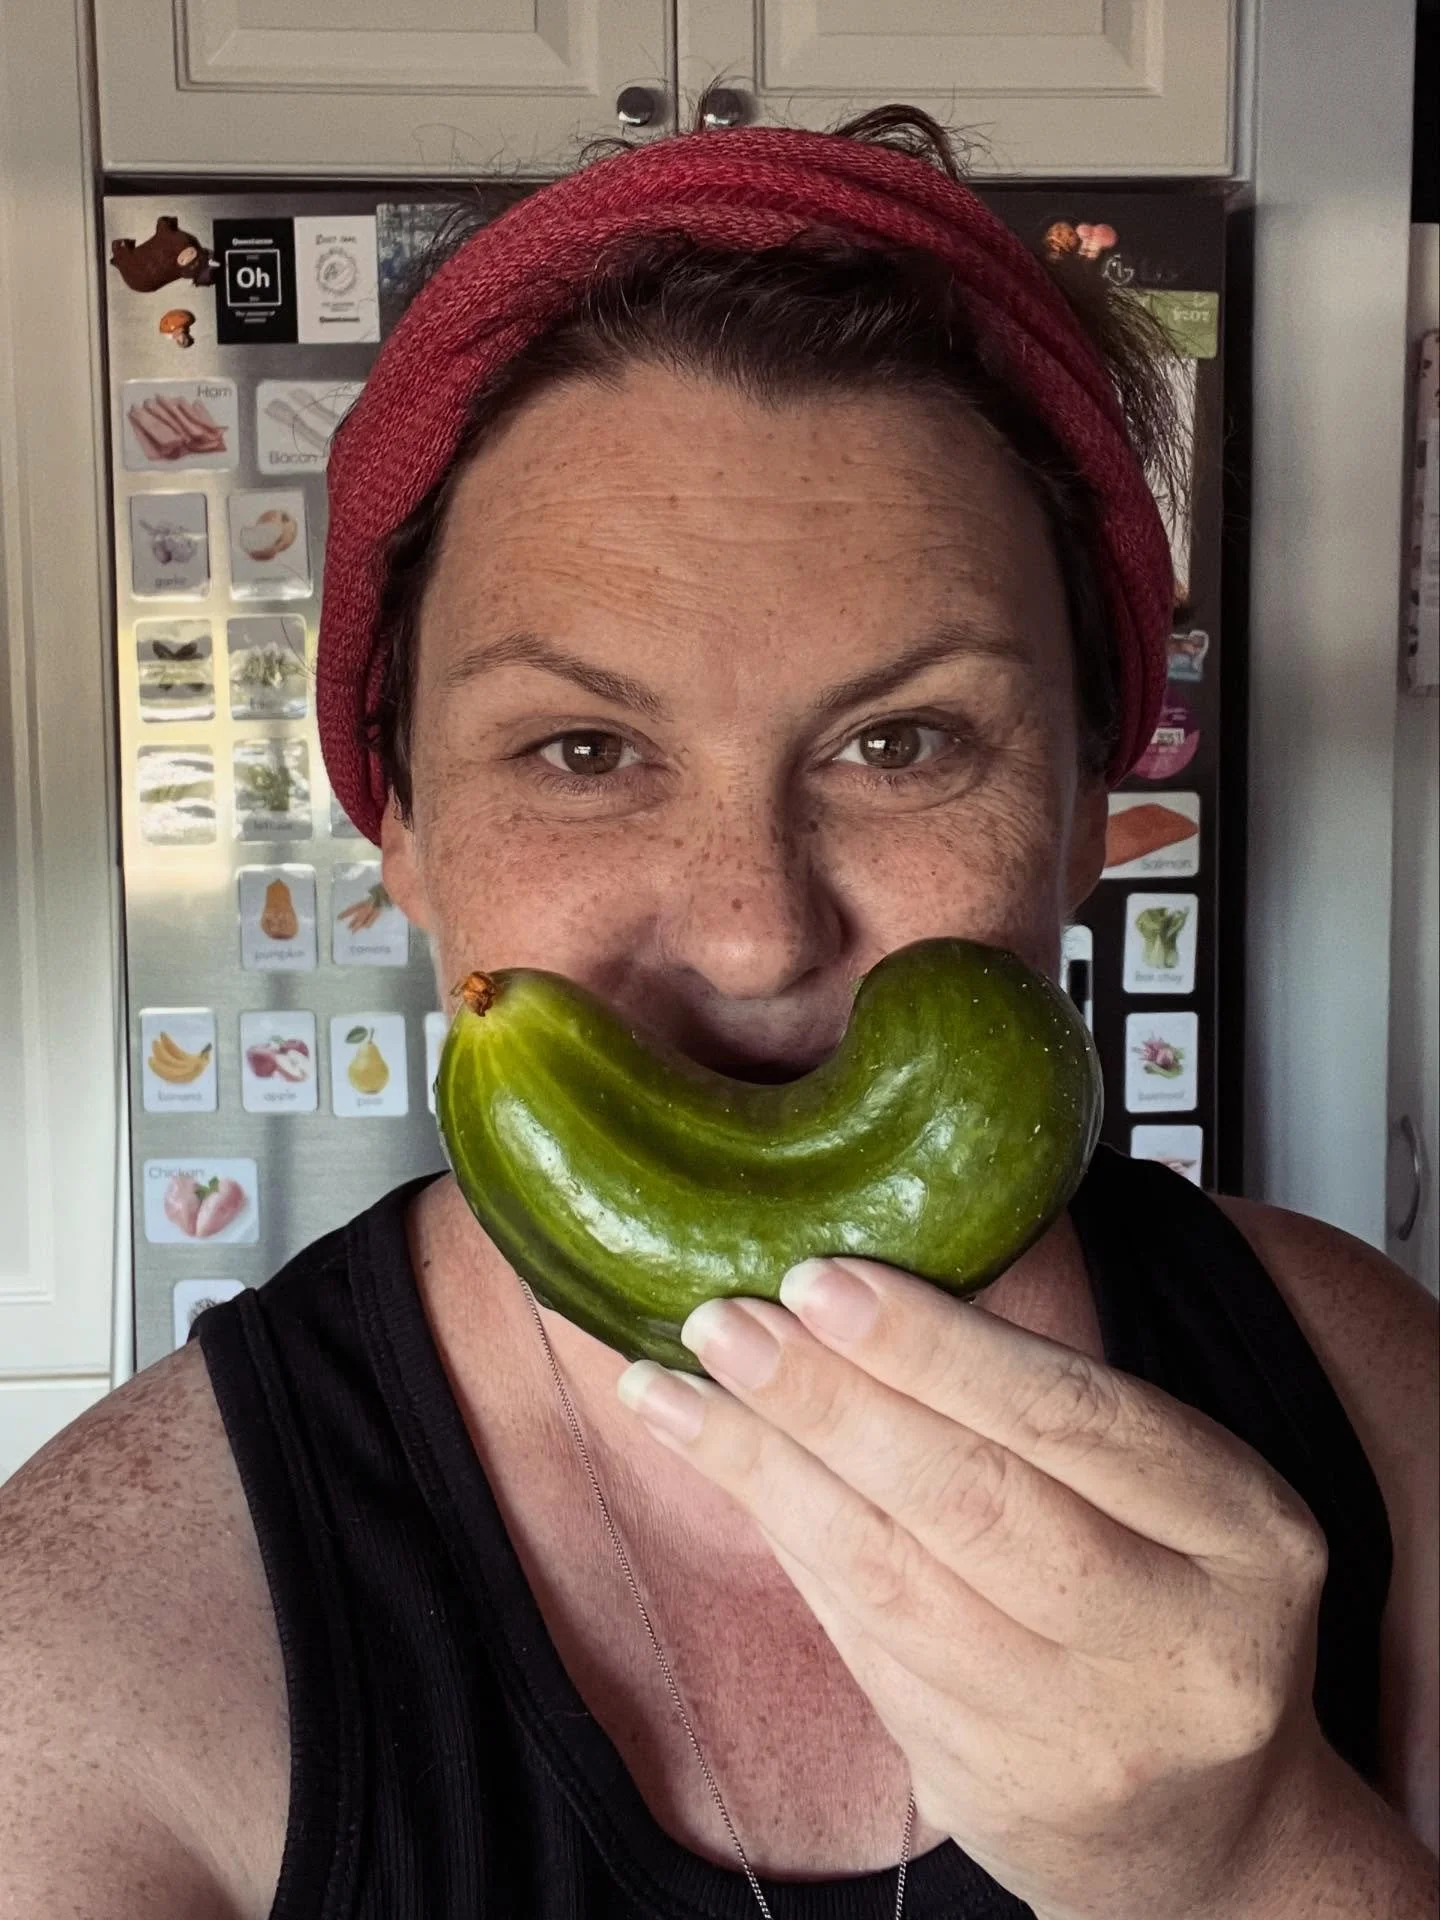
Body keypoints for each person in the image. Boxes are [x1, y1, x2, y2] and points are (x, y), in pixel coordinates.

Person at [2, 109, 1436, 1920]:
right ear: (403, 830)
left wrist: (1257, 1868)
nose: (758, 933)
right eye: (583, 752)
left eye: (903, 742)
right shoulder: (77, 1667)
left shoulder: (1387, 1401)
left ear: (1088, 814)